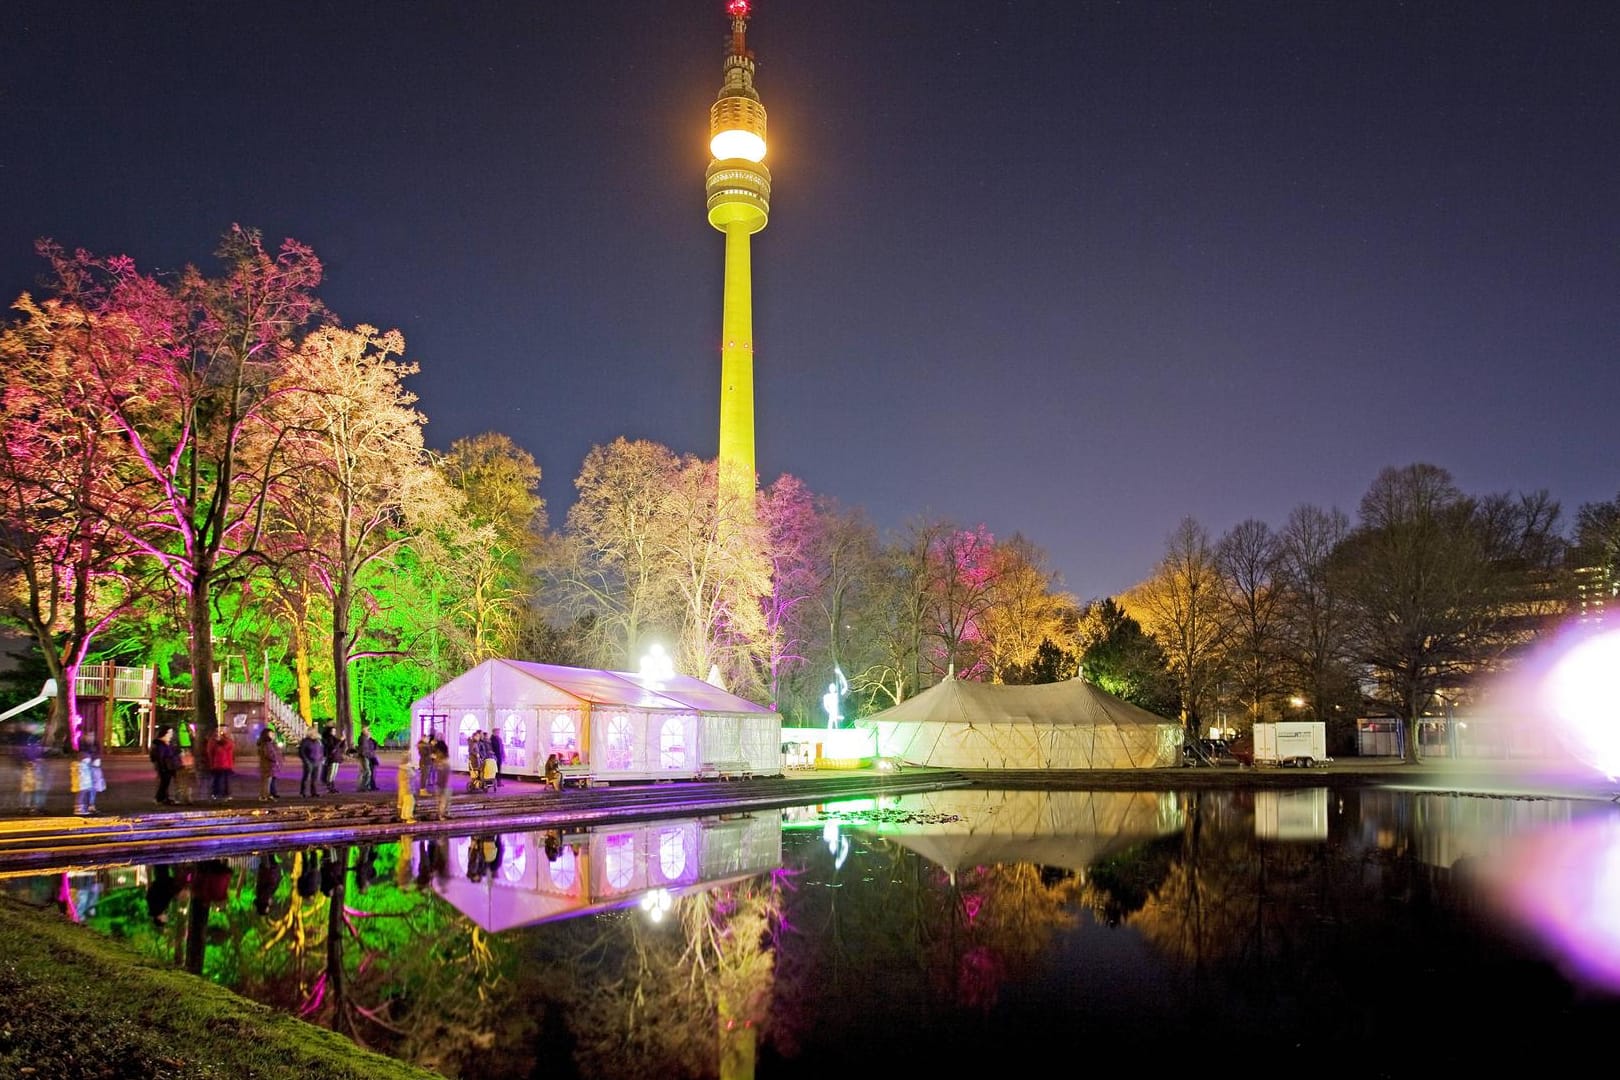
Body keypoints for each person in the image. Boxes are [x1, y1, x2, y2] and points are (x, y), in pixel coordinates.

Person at [150, 725, 181, 805]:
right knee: (163, 782)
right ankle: (159, 798)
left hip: (169, 765)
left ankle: (164, 798)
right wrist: (162, 766)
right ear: (164, 733)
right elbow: (159, 757)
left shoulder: (167, 743)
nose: (171, 734)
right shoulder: (159, 744)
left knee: (166, 782)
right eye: (169, 732)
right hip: (164, 766)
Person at [256, 726, 282, 800]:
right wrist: (275, 759)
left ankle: (265, 795)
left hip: (267, 765)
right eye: (271, 734)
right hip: (268, 766)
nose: (273, 736)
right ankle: (264, 795)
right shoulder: (267, 744)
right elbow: (269, 754)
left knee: (266, 781)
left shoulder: (267, 743)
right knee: (266, 781)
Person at [209, 728, 235, 800]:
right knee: (217, 780)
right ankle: (216, 793)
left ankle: (225, 794)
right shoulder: (213, 741)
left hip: (226, 764)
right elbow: (211, 752)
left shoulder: (227, 741)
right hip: (217, 764)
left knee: (226, 781)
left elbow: (230, 748)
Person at [431, 733, 451, 819]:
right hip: (442, 786)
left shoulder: (441, 764)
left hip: (441, 785)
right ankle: (441, 814)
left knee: (443, 799)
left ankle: (442, 813)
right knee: (443, 799)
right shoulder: (444, 764)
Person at [297, 727, 322, 797]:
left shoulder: (318, 741)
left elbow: (321, 750)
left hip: (317, 762)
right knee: (306, 777)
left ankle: (313, 792)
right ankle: (303, 792)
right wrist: (306, 761)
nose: (316, 733)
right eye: (314, 732)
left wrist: (321, 758)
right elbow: (301, 752)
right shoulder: (306, 741)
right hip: (309, 762)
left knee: (314, 778)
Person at [320, 724, 344, 794]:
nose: (334, 732)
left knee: (334, 773)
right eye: (333, 731)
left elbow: (340, 746)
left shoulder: (334, 738)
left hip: (336, 757)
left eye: (334, 731)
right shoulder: (328, 738)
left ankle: (332, 786)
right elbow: (333, 747)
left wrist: (343, 740)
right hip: (332, 757)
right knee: (331, 773)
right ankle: (329, 787)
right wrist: (340, 741)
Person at [356, 723, 380, 792]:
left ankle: (367, 786)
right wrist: (366, 755)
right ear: (364, 730)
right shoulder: (363, 738)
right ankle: (363, 787)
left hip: (369, 756)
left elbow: (374, 747)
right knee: (366, 772)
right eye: (367, 730)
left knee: (369, 772)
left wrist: (371, 739)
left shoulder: (368, 739)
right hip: (365, 756)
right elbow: (364, 749)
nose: (369, 731)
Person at [71, 750, 96, 815]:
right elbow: (82, 776)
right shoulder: (81, 766)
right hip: (82, 785)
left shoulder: (84, 766)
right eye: (87, 759)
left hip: (84, 784)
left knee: (82, 796)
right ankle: (79, 809)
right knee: (80, 796)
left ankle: (81, 809)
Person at [416, 731, 435, 796]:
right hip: (425, 762)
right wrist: (430, 755)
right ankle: (422, 790)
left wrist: (431, 746)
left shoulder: (425, 745)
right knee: (424, 777)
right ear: (423, 738)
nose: (428, 739)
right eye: (427, 738)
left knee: (425, 776)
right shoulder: (422, 745)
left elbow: (430, 751)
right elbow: (424, 754)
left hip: (427, 762)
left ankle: (423, 790)